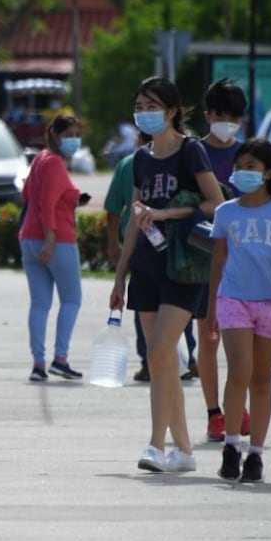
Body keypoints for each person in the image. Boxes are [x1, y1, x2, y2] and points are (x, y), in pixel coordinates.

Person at [109, 76, 226, 473]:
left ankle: (156, 445)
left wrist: (168, 213)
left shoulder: (192, 152)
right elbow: (133, 220)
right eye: (139, 106)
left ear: (173, 111)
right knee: (162, 361)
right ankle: (185, 451)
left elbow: (216, 203)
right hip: (147, 264)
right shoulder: (140, 159)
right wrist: (119, 276)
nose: (144, 113)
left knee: (161, 351)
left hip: (184, 265)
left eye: (151, 106)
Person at [206, 138, 271, 483]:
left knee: (261, 380)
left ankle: (256, 455)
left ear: (267, 172)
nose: (244, 172)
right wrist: (211, 310)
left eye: (252, 166)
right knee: (239, 370)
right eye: (240, 166)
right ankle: (232, 446)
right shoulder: (226, 212)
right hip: (233, 299)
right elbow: (218, 261)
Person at [196, 77, 252, 442]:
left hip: (243, 261)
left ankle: (237, 405)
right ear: (207, 115)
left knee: (240, 341)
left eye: (233, 116)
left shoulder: (250, 156)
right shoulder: (194, 153)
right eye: (220, 114)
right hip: (204, 259)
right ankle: (215, 412)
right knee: (209, 337)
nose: (226, 122)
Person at [20, 114, 86, 382]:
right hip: (57, 240)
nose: (73, 140)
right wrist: (50, 236)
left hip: (28, 237)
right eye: (69, 135)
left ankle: (38, 364)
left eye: (76, 135)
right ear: (56, 135)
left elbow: (27, 195)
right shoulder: (56, 163)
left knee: (40, 303)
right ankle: (60, 358)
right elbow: (48, 202)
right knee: (71, 299)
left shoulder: (39, 159)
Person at [104, 131, 151, 381]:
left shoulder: (128, 163)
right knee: (173, 302)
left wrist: (113, 244)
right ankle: (185, 357)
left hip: (139, 246)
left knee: (144, 301)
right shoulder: (132, 164)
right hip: (157, 245)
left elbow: (113, 211)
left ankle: (149, 361)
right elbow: (115, 210)